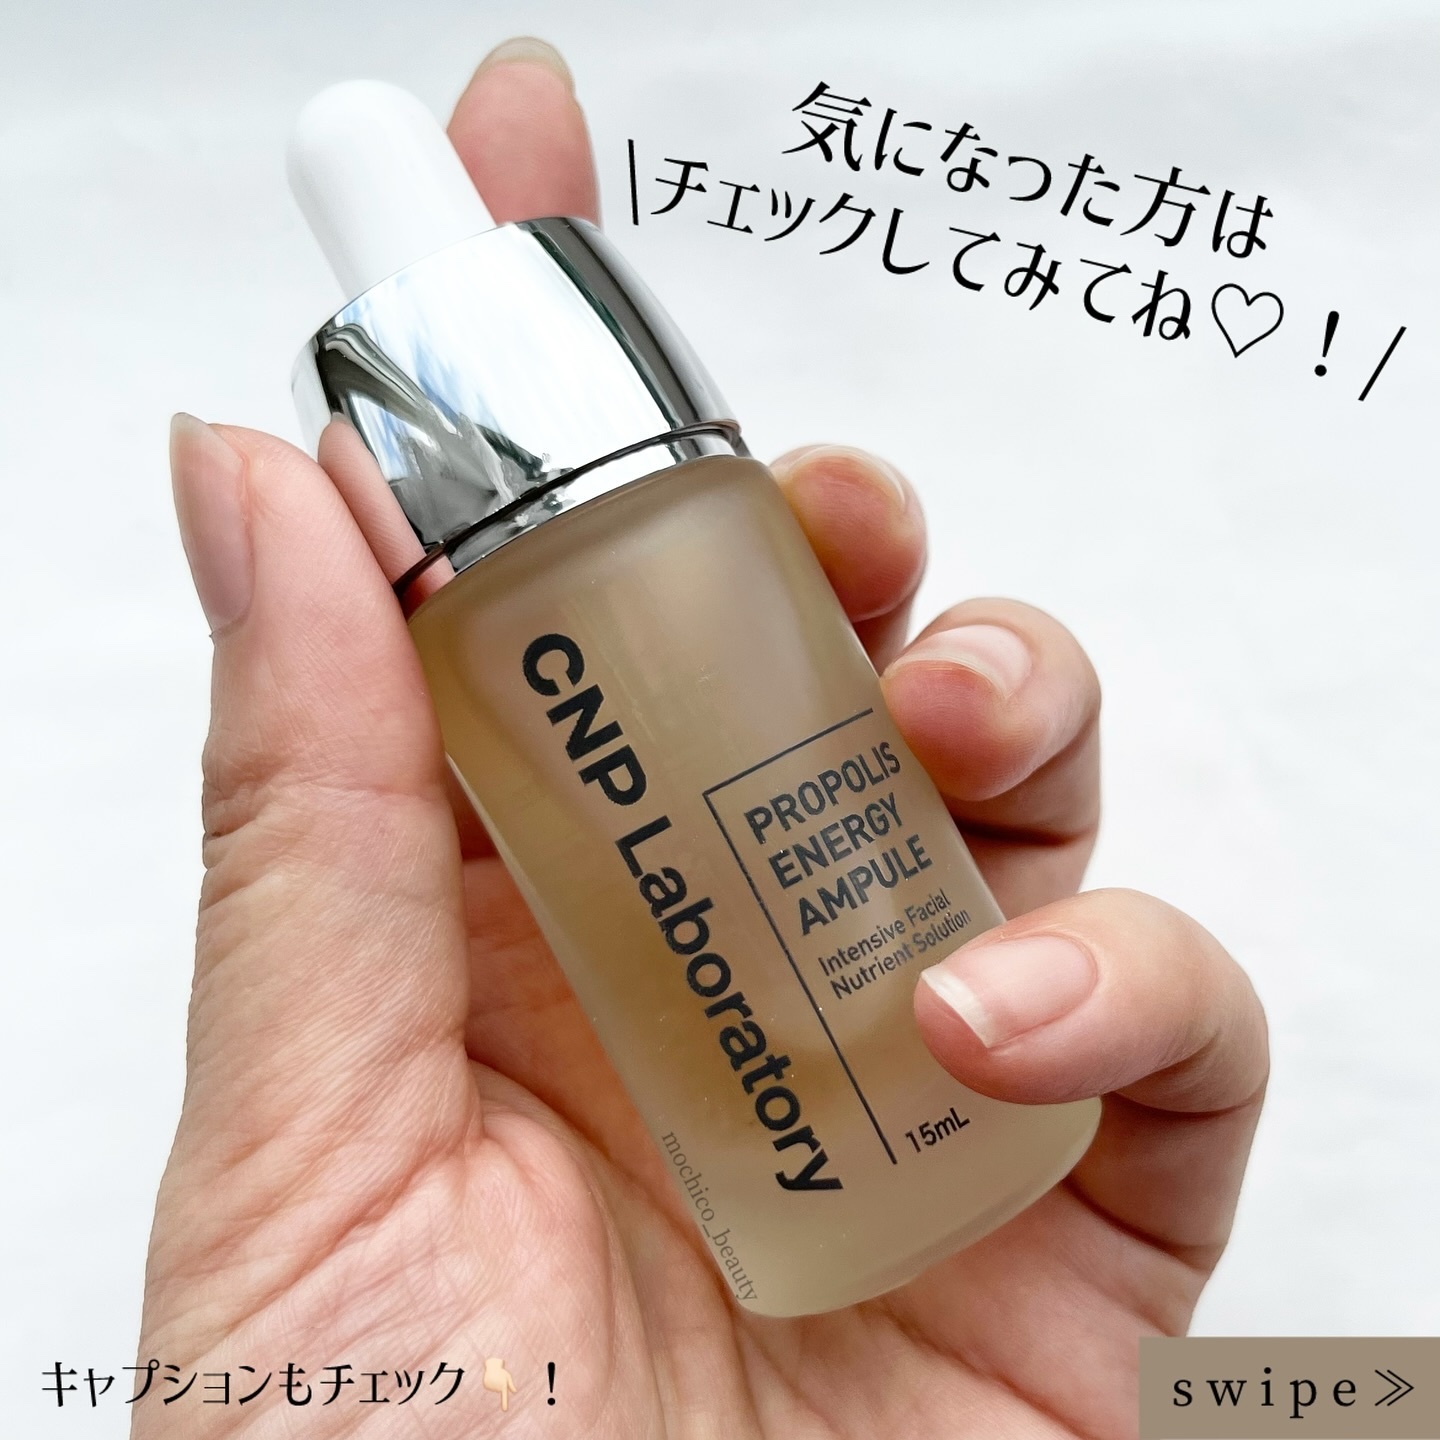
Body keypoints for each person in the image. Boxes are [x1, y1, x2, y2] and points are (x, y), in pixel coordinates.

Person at [138, 36, 1267, 1438]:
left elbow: (1328, 1407)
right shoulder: (501, 610)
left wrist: (1169, 1414)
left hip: (975, 1164)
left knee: (917, 702)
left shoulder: (700, 508)